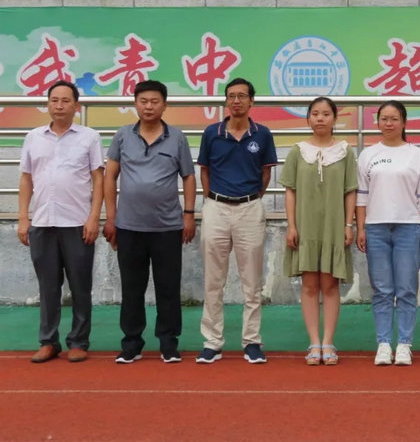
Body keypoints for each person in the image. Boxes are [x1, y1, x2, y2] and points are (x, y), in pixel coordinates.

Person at [103, 80, 196, 364]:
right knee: (132, 288)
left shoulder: (177, 137)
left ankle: (168, 342)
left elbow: (189, 177)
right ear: (135, 103)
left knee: (168, 286)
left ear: (165, 104)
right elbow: (110, 177)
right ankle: (132, 343)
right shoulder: (122, 136)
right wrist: (111, 217)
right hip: (129, 226)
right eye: (143, 101)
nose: (149, 106)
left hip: (168, 226)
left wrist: (189, 214)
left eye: (155, 101)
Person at [18, 80, 104, 363]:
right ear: (48, 103)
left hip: (77, 223)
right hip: (42, 222)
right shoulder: (34, 137)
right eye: (54, 100)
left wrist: (94, 217)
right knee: (48, 286)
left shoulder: (89, 137)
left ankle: (78, 341)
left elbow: (98, 178)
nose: (59, 105)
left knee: (80, 285)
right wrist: (23, 218)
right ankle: (48, 341)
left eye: (65, 100)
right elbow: (27, 178)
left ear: (76, 106)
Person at [196, 77, 277, 364]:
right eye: (231, 96)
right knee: (213, 280)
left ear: (252, 101)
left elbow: (265, 174)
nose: (236, 101)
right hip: (216, 207)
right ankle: (213, 341)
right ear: (226, 101)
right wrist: (210, 200)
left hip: (250, 208)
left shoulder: (263, 135)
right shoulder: (212, 133)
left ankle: (252, 341)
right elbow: (204, 170)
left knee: (251, 281)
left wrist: (251, 197)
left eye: (242, 96)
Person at [356, 100, 420, 366]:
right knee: (381, 289)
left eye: (394, 119)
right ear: (377, 122)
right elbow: (361, 196)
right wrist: (361, 227)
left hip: (408, 228)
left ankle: (404, 344)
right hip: (376, 228)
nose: (388, 124)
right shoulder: (367, 155)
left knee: (407, 288)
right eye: (384, 119)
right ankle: (383, 343)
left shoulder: (416, 155)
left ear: (404, 122)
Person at [280, 97, 357, 366]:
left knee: (331, 284)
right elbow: (290, 190)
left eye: (326, 114)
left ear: (335, 119)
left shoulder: (346, 152)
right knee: (310, 284)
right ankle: (313, 342)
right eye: (315, 113)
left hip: (335, 227)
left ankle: (328, 342)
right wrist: (291, 225)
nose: (320, 118)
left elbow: (351, 191)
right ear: (308, 119)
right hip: (305, 227)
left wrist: (349, 224)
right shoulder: (297, 151)